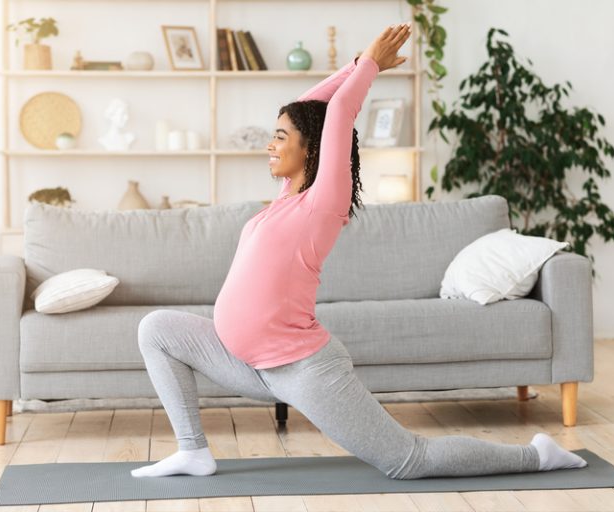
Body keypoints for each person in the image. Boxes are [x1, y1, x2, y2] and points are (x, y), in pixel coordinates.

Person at [131, 23, 588, 480]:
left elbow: (338, 112)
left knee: (408, 461)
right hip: (241, 362)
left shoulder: (322, 202)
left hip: (302, 370)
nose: (270, 145)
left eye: (280, 137)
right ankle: (192, 450)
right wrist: (355, 64)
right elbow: (311, 107)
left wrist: (369, 64)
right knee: (157, 329)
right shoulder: (288, 193)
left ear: (310, 150)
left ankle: (537, 455)